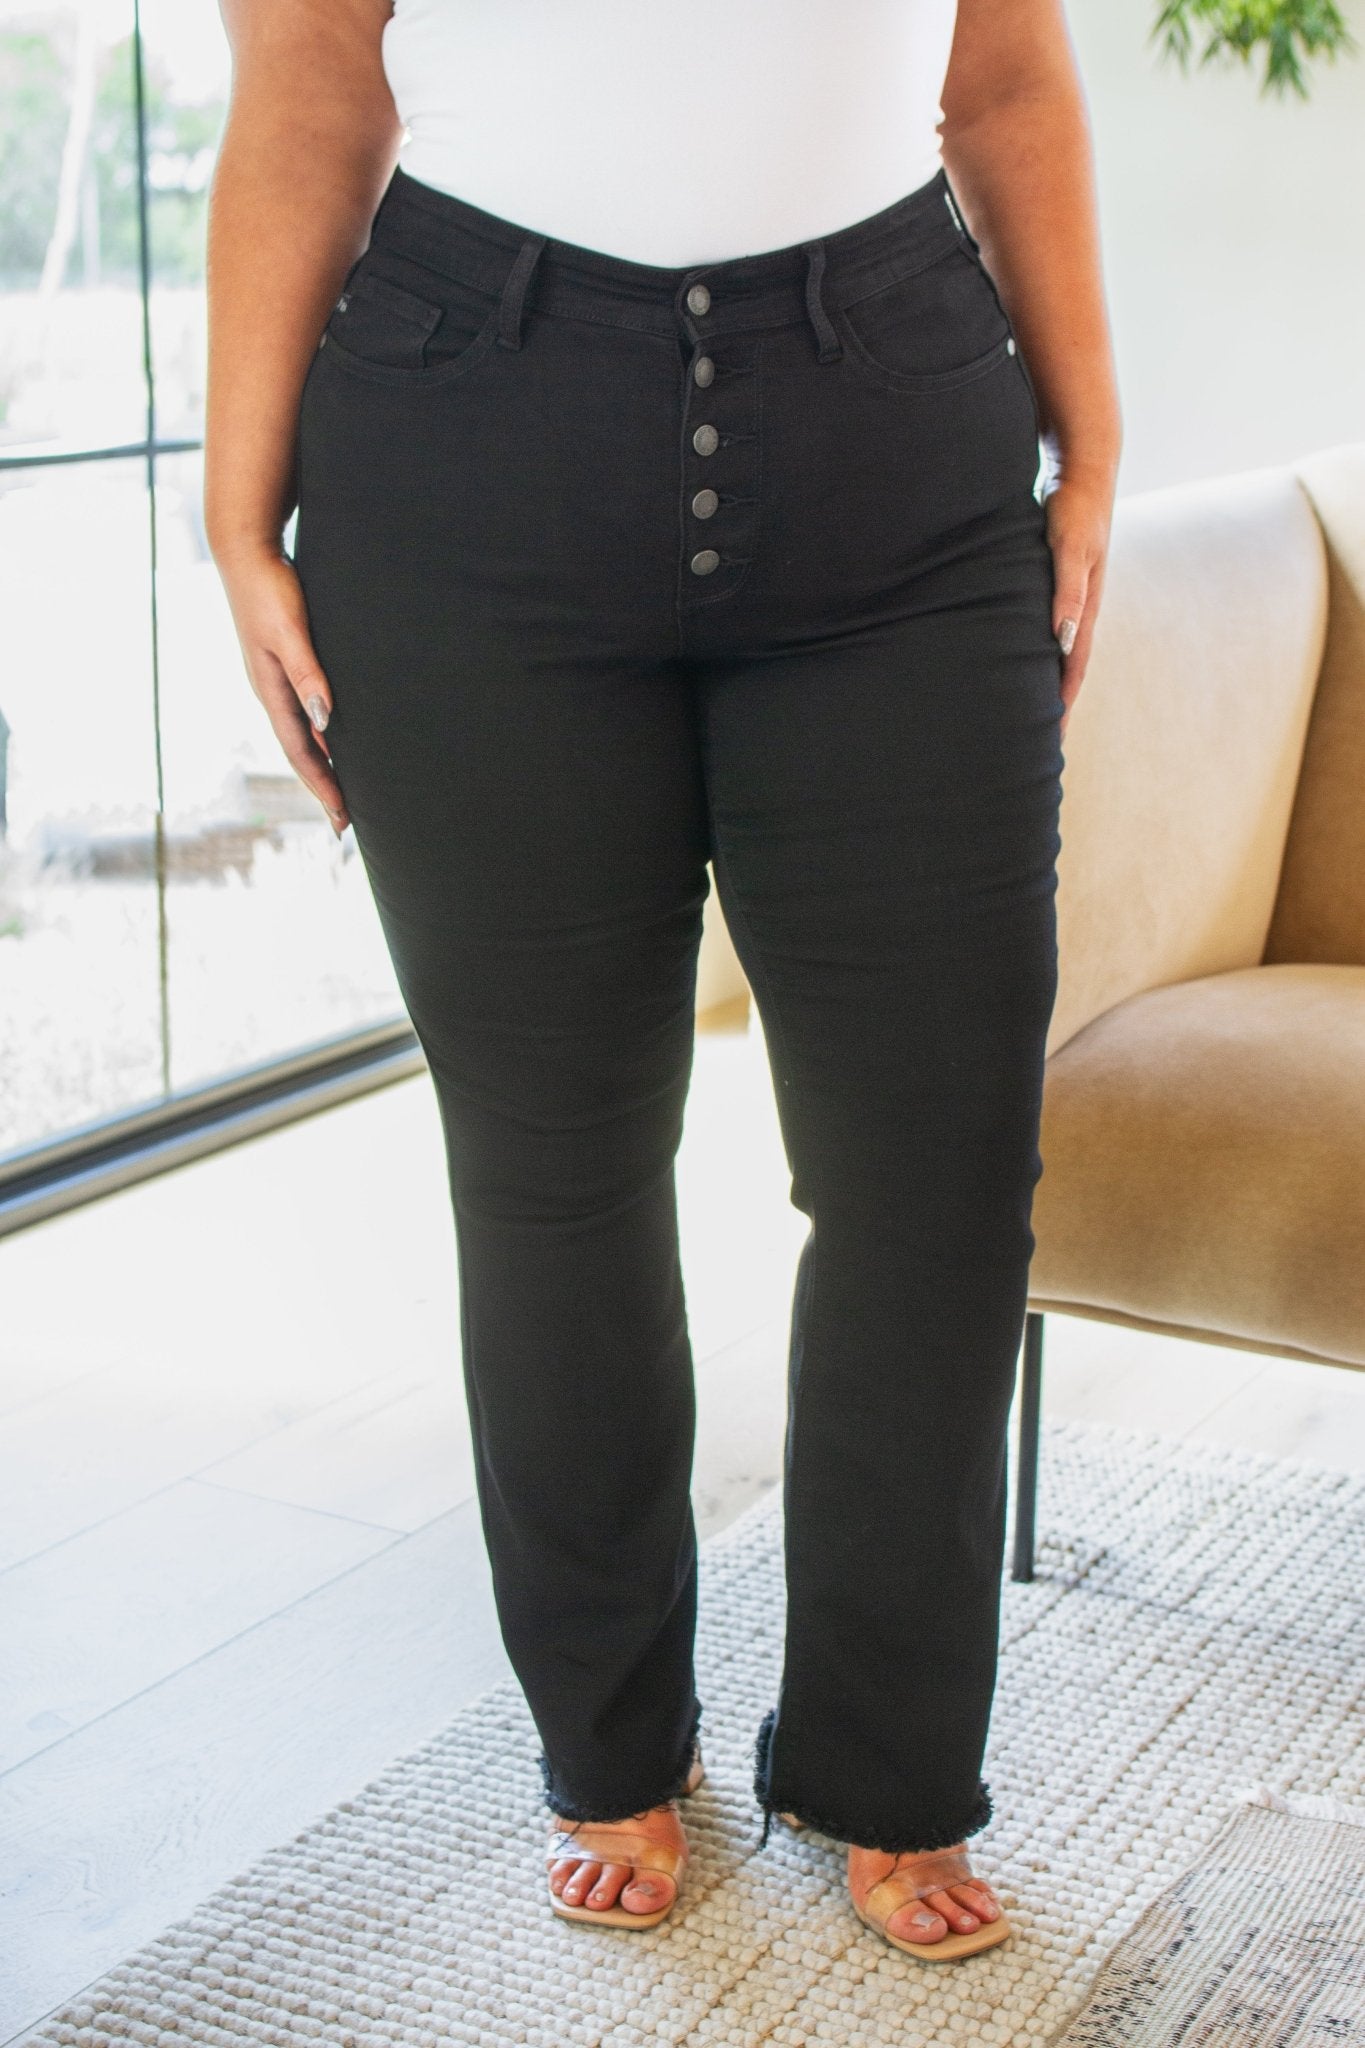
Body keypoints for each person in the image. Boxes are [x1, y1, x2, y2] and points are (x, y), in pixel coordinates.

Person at [205, 0, 1120, 1965]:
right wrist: (233, 508)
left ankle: (888, 1764)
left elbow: (1001, 76)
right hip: (461, 456)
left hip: (898, 454)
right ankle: (607, 1739)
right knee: (551, 1164)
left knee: (937, 1169)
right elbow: (306, 93)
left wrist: (1095, 445)